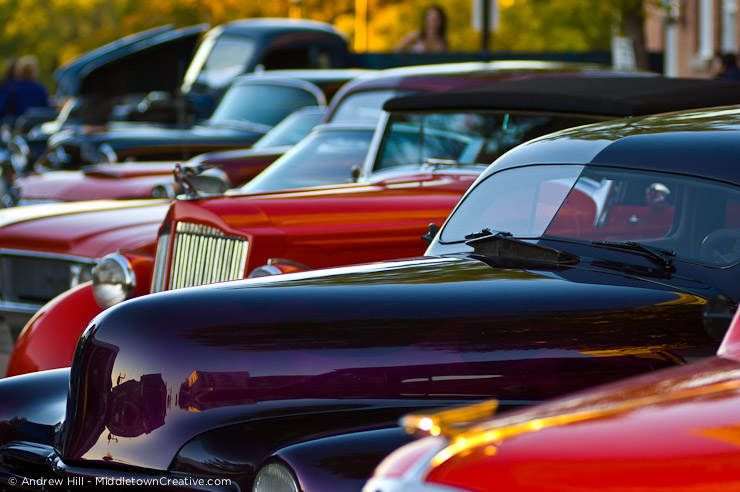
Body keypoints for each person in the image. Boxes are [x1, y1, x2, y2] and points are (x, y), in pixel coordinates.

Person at [0, 55, 49, 120]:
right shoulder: (39, 88)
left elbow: (2, 108)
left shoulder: (13, 87)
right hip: (35, 123)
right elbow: (46, 109)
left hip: (16, 124)